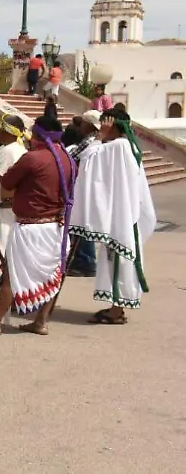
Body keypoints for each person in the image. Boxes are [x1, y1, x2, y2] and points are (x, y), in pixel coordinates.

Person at [0, 109, 75, 336]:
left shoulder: (33, 158)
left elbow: (7, 181)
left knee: (11, 274)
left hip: (31, 227)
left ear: (37, 135)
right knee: (52, 276)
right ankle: (41, 321)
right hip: (56, 226)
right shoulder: (68, 158)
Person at [69, 108, 156, 325]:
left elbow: (88, 159)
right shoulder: (129, 145)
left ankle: (117, 311)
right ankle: (116, 307)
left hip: (122, 217)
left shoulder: (117, 146)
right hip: (126, 214)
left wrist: (99, 137)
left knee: (119, 261)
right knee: (117, 260)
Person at [0, 115, 28, 275]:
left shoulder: (6, 151)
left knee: (0, 241)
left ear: (8, 131)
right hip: (13, 205)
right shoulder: (22, 150)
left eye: (1, 129)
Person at [66, 110, 101, 277]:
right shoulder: (92, 140)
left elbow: (73, 157)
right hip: (86, 186)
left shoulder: (91, 141)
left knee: (84, 224)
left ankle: (85, 261)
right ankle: (83, 259)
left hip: (85, 187)